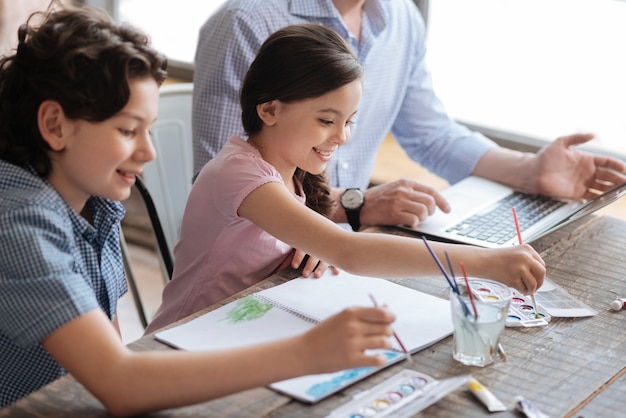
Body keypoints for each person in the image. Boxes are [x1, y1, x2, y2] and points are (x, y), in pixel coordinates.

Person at [0, 5, 398, 414]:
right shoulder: (20, 226)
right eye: (126, 131)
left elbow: (115, 356)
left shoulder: (96, 200)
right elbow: (120, 383)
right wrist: (307, 352)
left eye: (148, 130)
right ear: (54, 124)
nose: (148, 152)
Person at [145, 23, 546, 334]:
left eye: (349, 121)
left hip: (248, 325)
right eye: (326, 121)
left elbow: (322, 238)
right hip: (184, 341)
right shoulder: (239, 173)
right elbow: (349, 251)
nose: (342, 137)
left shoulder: (293, 170)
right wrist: (486, 261)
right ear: (269, 110)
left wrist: (314, 239)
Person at [192, 0, 626, 234]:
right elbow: (226, 175)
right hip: (256, 259)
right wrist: (355, 205)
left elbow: (431, 135)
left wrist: (529, 170)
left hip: (331, 253)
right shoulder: (243, 21)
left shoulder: (400, 17)